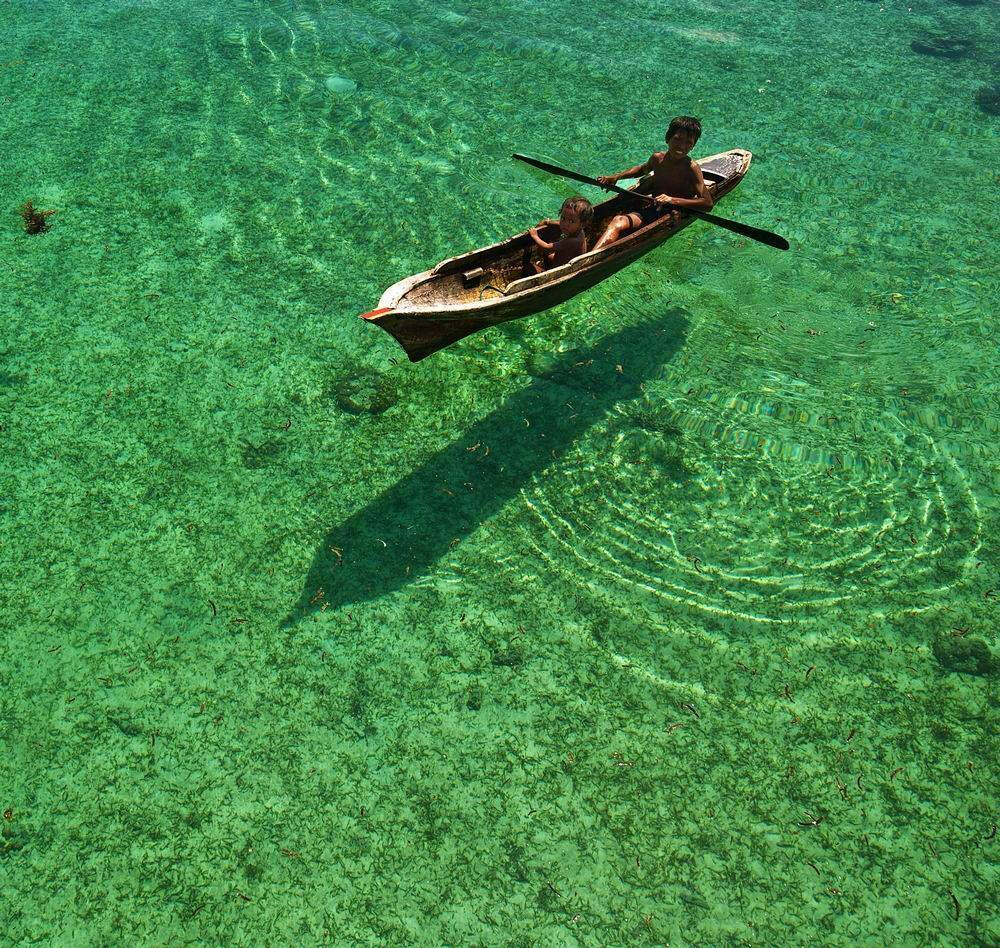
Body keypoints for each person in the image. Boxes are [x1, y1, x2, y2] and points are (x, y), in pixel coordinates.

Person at [591, 116, 714, 252]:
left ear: (693, 146)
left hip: (670, 213)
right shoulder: (658, 159)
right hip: (652, 206)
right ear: (668, 138)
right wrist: (616, 177)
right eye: (677, 139)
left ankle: (589, 259)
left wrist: (673, 200)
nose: (681, 146)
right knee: (616, 216)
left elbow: (707, 203)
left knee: (618, 221)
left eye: (688, 143)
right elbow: (641, 170)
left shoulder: (691, 168)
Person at [528, 195, 594, 273]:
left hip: (560, 272)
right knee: (547, 254)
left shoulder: (573, 241)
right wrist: (548, 222)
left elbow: (547, 247)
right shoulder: (578, 231)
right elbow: (560, 223)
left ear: (582, 224)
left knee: (528, 268)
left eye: (571, 221)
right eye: (563, 218)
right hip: (559, 261)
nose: (565, 224)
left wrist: (535, 236)